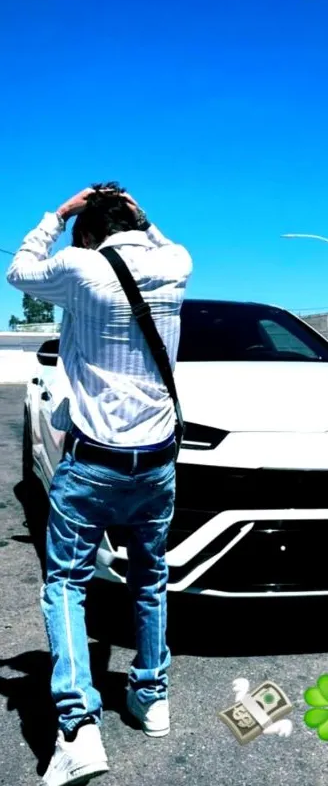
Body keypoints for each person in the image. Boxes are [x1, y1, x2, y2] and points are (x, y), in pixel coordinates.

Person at [7, 182, 193, 786]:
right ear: (136, 220)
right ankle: (151, 696)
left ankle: (78, 729)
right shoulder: (176, 262)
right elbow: (158, 239)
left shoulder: (81, 267)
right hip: (157, 459)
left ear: (88, 234)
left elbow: (18, 271)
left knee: (65, 583)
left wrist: (58, 214)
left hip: (94, 461)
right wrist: (144, 213)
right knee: (150, 576)